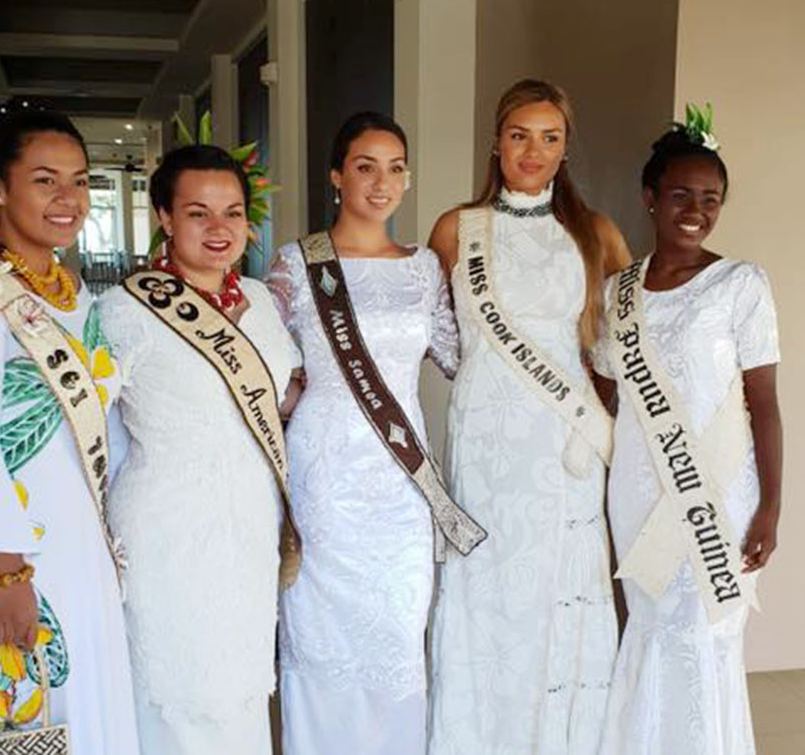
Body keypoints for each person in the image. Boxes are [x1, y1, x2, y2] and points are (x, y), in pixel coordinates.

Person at [0, 100, 139, 754]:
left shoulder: (73, 294)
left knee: (84, 714)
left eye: (79, 181)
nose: (67, 198)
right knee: (21, 722)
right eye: (45, 180)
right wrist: (6, 578)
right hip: (13, 559)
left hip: (80, 547)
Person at [426, 78, 632, 754]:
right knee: (487, 591)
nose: (533, 151)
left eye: (550, 137)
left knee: (557, 591)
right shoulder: (456, 229)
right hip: (484, 444)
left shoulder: (594, 233)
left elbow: (622, 347)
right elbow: (436, 337)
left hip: (563, 447)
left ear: (566, 147)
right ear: (496, 142)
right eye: (519, 135)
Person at [267, 111, 472, 755]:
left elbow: (461, 358)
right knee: (321, 640)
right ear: (336, 176)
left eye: (395, 168)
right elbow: (262, 365)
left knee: (397, 638)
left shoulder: (423, 269)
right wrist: (292, 394)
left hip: (401, 485)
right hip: (324, 479)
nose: (382, 183)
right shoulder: (297, 265)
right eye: (365, 167)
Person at [96, 144, 301, 754]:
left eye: (232, 212)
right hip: (166, 526)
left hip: (249, 523)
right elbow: (87, 422)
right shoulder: (124, 310)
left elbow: (279, 397)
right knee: (176, 689)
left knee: (238, 688)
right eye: (197, 213)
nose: (219, 228)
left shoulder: (260, 302)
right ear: (164, 216)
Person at [591, 108, 783, 755]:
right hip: (637, 490)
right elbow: (605, 394)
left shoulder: (741, 285)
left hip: (719, 492)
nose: (696, 210)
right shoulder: (616, 293)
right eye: (681, 194)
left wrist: (770, 507)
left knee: (706, 632)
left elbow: (765, 404)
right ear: (649, 197)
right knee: (649, 628)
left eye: (710, 198)